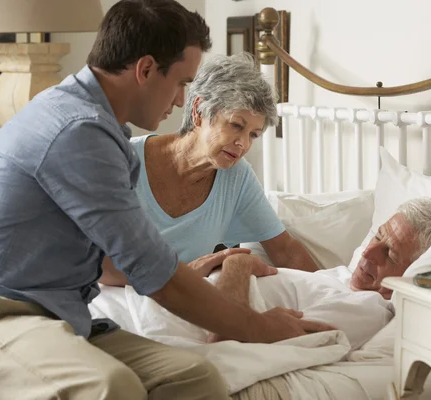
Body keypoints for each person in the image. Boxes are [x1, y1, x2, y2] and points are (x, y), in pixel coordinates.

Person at [0, 1, 331, 400]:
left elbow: (124, 261)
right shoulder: (77, 130)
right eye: (182, 83)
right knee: (109, 387)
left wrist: (235, 267)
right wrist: (258, 326)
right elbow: (151, 269)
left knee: (195, 377)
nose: (179, 101)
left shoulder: (105, 131)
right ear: (146, 69)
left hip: (62, 314)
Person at [100, 53, 319, 290]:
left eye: (253, 135)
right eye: (236, 125)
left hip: (181, 304)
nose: (243, 144)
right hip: (112, 299)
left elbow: (285, 251)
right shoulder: (121, 159)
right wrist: (184, 272)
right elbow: (91, 261)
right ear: (199, 111)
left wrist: (331, 293)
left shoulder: (236, 176)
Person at [206, 198, 431, 347]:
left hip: (194, 320)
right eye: (377, 236)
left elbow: (225, 340)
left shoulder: (366, 310)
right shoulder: (339, 278)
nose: (367, 254)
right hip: (188, 304)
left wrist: (237, 266)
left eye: (389, 255)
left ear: (412, 274)